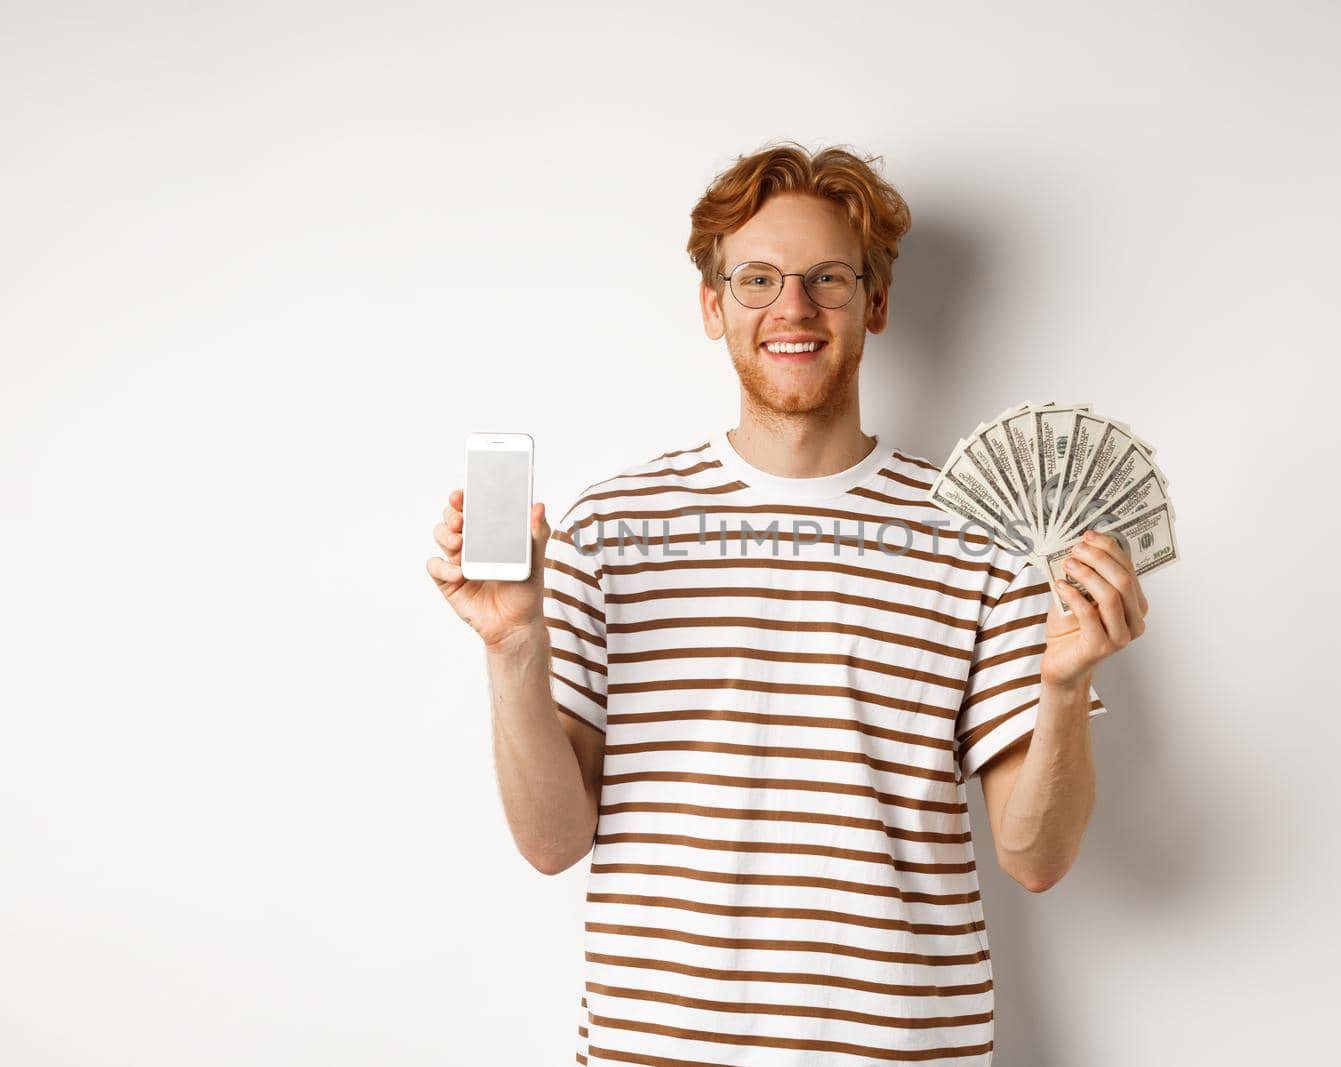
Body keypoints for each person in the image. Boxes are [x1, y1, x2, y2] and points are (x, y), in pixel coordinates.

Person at [426, 141, 1150, 1064]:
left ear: (876, 301)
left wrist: (1059, 688)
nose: (793, 308)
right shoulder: (607, 529)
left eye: (828, 278)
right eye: (757, 278)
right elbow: (551, 842)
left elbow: (1036, 857)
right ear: (712, 305)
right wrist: (513, 644)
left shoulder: (985, 535)